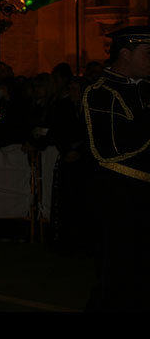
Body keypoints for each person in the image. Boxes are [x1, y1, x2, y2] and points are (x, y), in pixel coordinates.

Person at [83, 25, 150, 311]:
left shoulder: (146, 89)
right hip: (119, 197)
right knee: (119, 272)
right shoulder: (101, 92)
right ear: (125, 53)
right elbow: (109, 147)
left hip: (144, 195)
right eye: (148, 53)